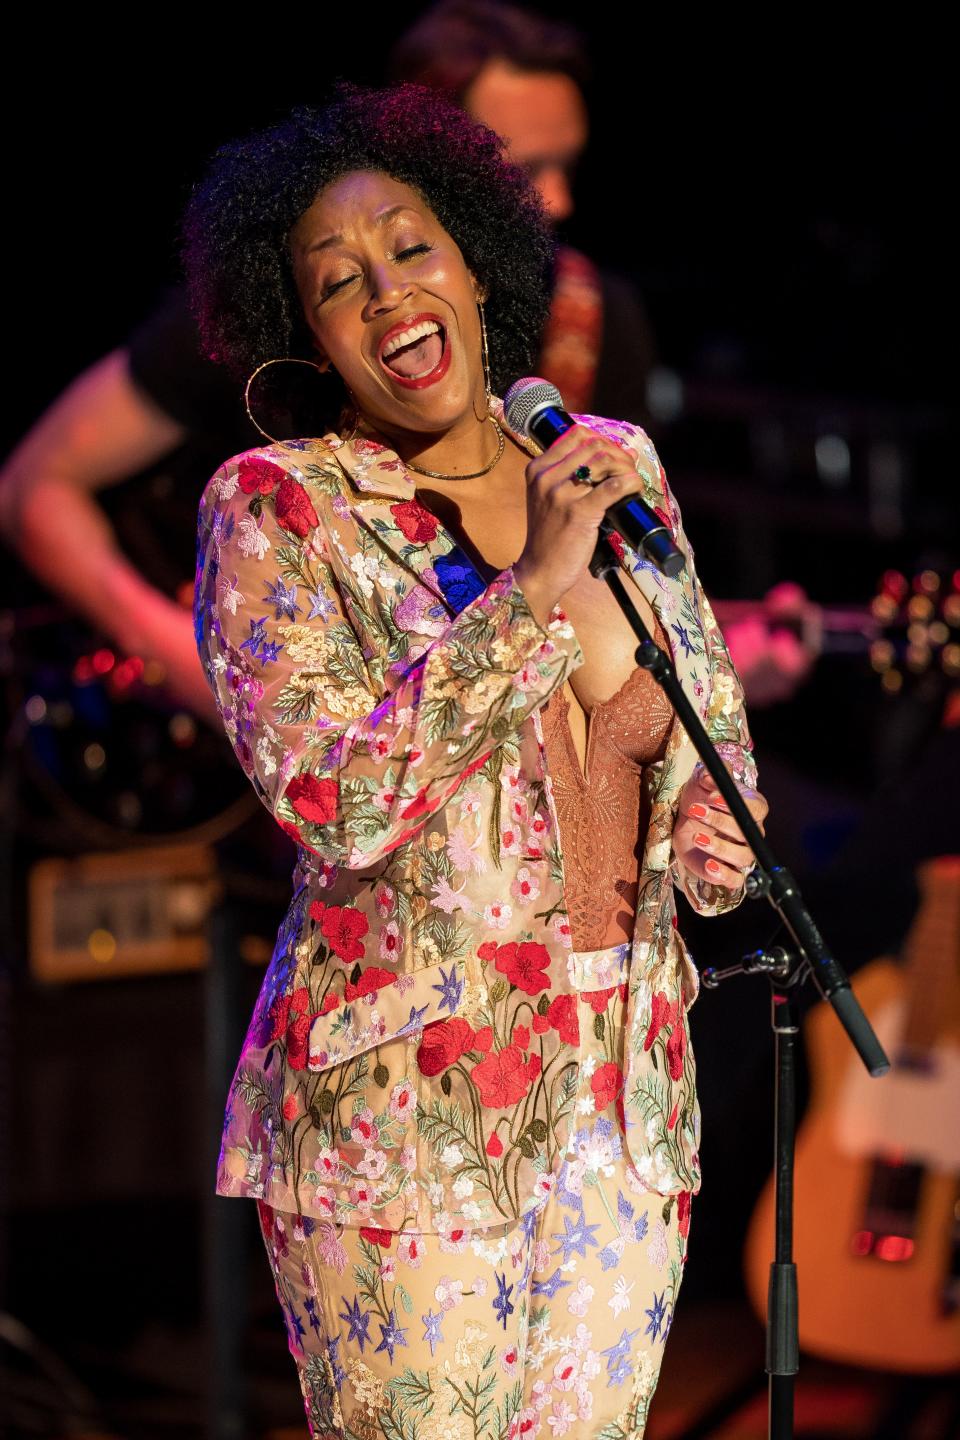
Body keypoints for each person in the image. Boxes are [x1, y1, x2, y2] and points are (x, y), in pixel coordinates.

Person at [188, 84, 767, 1439]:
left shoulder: (602, 462)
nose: (386, 292)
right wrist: (534, 586)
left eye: (411, 248)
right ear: (309, 337)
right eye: (338, 283)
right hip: (407, 1115)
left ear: (476, 263)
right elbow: (341, 803)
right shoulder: (280, 508)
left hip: (621, 1101)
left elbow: (707, 734)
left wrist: (710, 850)